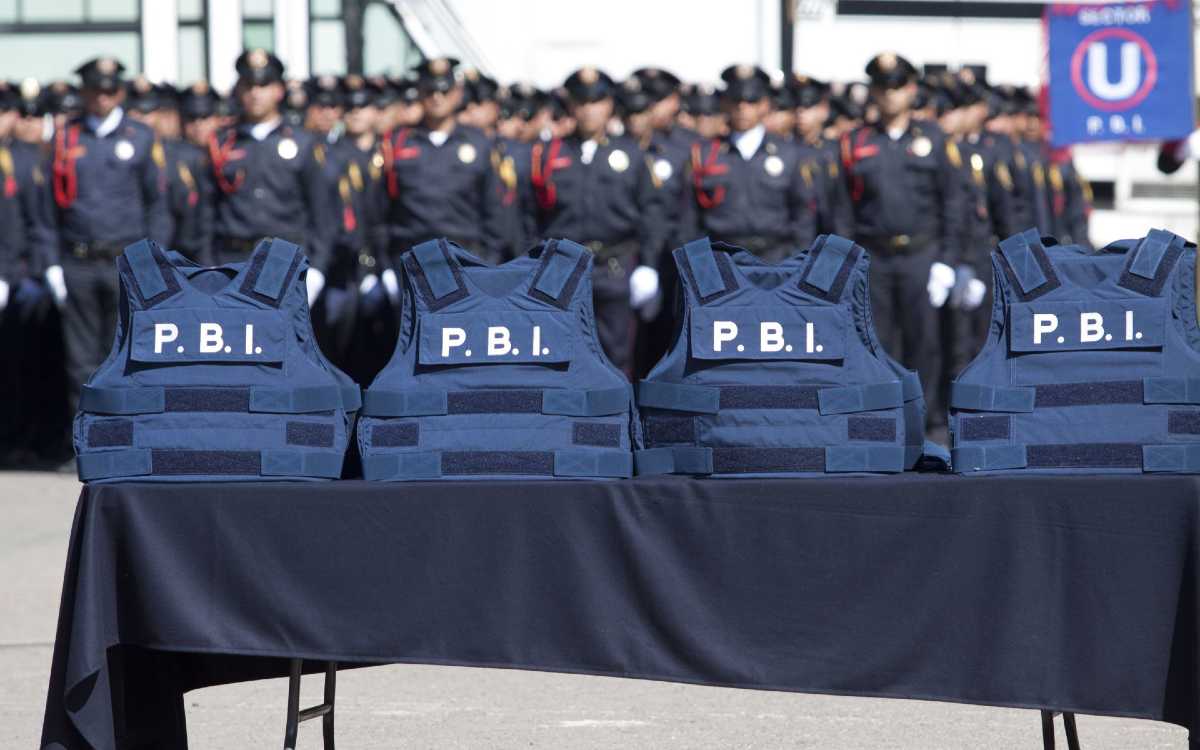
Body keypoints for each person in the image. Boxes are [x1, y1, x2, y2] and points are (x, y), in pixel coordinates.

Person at [838, 52, 964, 426]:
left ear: (911, 90)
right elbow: (843, 207)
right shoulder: (854, 141)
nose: (889, 95)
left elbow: (953, 202)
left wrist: (948, 261)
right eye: (881, 87)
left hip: (921, 254)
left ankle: (925, 421)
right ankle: (884, 420)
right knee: (877, 341)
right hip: (873, 256)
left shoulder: (934, 139)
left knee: (924, 342)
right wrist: (848, 261)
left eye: (896, 86)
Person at [44, 57, 169, 414]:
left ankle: (125, 438)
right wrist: (52, 263)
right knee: (81, 360)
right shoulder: (65, 137)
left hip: (125, 262)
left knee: (127, 355)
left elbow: (156, 205)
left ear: (119, 92)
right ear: (83, 91)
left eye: (110, 89)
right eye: (95, 89)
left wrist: (152, 260)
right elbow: (47, 208)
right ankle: (86, 439)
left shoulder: (141, 137)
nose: (102, 96)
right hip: (78, 260)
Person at [525, 66, 666, 374]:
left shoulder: (631, 154)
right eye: (582, 102)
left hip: (614, 266)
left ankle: (617, 422)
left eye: (598, 102)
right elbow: (529, 214)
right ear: (572, 106)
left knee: (616, 357)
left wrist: (649, 265)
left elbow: (652, 213)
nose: (590, 110)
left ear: (610, 105)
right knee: (560, 357)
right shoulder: (547, 153)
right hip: (562, 267)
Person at [206, 47, 334, 313]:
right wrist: (208, 268)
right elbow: (206, 213)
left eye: (264, 85)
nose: (255, 93)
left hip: (286, 261)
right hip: (232, 262)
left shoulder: (304, 142)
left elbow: (323, 213)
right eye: (248, 85)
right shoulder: (221, 144)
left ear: (279, 90)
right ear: (238, 90)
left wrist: (317, 270)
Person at [676, 64, 818, 261]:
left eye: (752, 101)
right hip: (721, 261)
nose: (743, 108)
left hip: (776, 260)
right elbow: (689, 219)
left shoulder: (789, 154)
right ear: (725, 104)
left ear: (765, 105)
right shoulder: (704, 154)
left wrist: (796, 261)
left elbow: (803, 216)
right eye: (736, 101)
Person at [377, 57, 507, 264]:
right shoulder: (397, 142)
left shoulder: (480, 143)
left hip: (465, 258)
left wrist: (488, 262)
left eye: (444, 91)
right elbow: (380, 210)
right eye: (429, 91)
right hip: (411, 259)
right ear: (419, 93)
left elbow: (494, 210)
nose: (437, 97)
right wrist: (386, 266)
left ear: (457, 94)